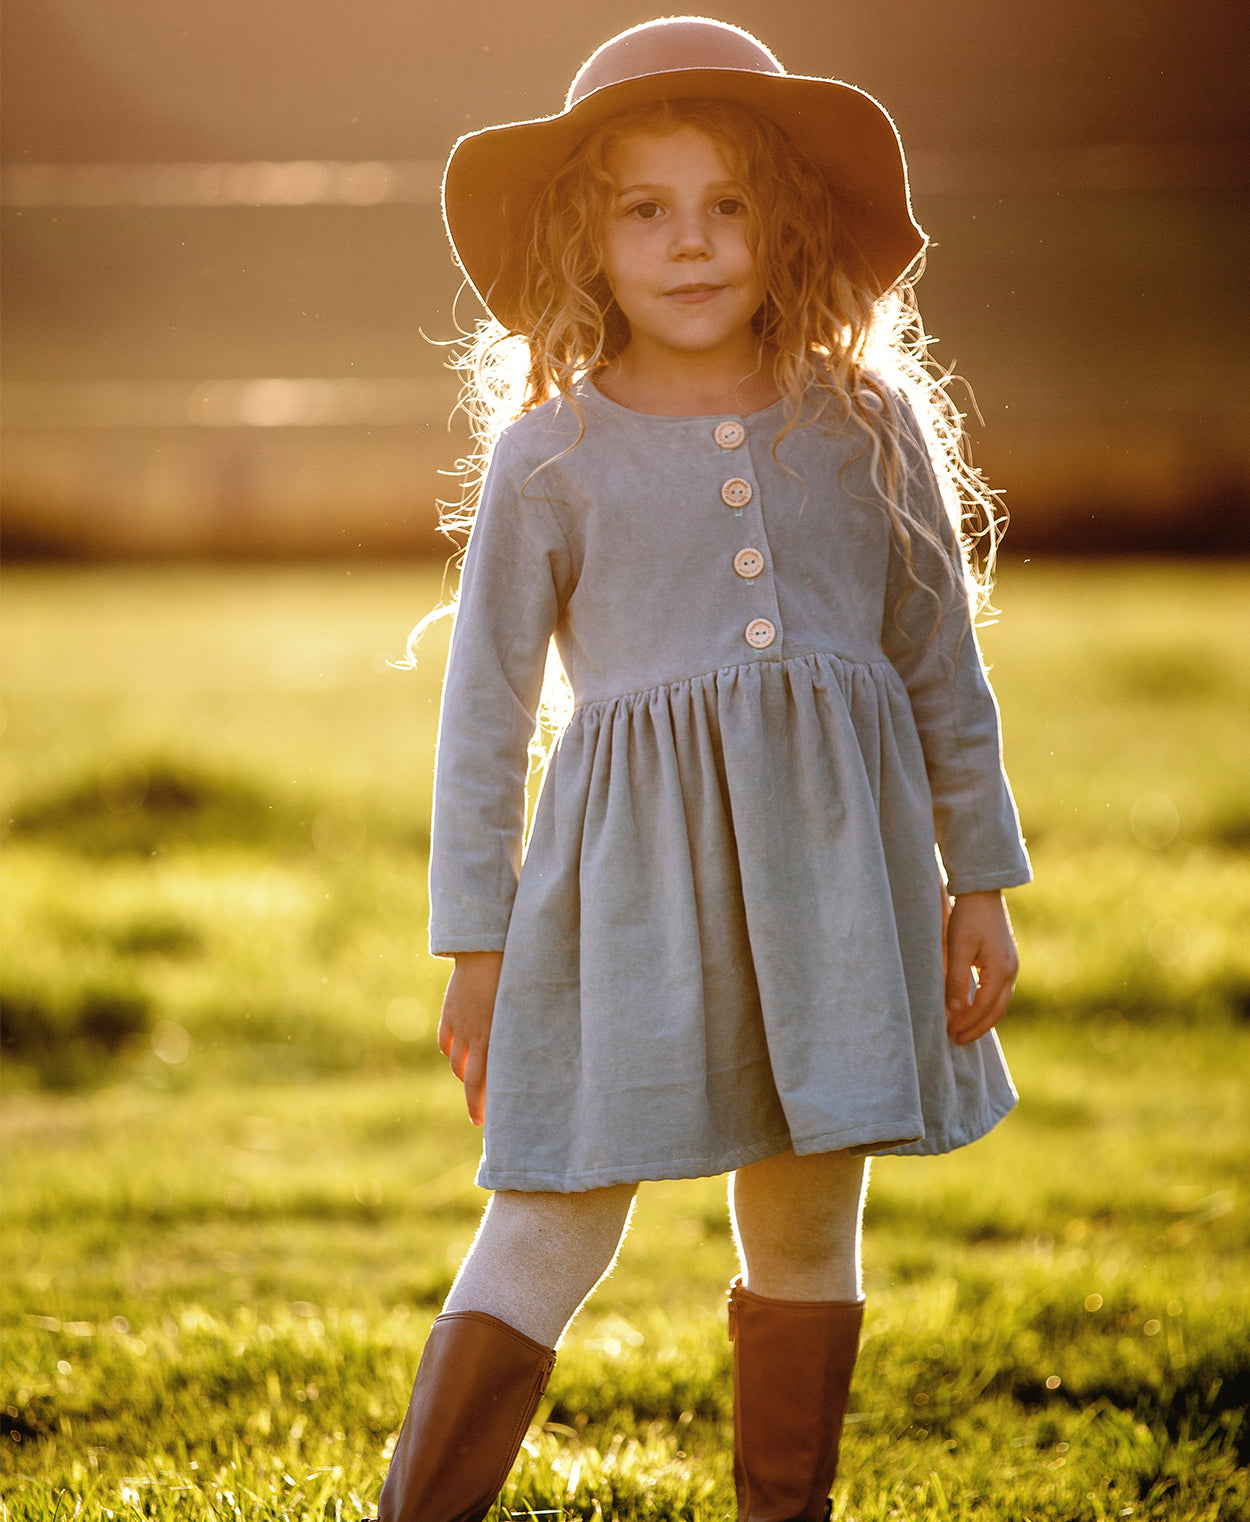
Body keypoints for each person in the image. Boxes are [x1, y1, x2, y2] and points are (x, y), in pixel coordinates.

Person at [373, 16, 1031, 1521]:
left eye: (726, 204)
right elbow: (482, 713)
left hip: (838, 897)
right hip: (621, 898)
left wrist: (977, 878)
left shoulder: (867, 424)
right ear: (583, 242)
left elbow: (941, 665)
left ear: (783, 220)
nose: (690, 244)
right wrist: (471, 943)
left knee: (808, 1214)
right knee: (551, 1214)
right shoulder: (549, 454)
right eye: (644, 210)